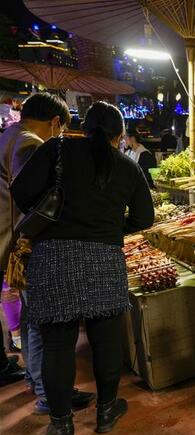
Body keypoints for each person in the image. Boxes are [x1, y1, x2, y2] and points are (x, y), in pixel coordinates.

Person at [11, 101, 154, 435]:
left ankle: (61, 429)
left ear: (83, 126)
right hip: (104, 259)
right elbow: (144, 218)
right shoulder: (126, 166)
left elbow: (21, 192)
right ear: (119, 134)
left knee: (57, 345)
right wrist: (110, 226)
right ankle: (106, 413)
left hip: (53, 257)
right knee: (106, 342)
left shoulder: (56, 149)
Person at [0, 92, 95, 413]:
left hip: (16, 242)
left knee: (30, 318)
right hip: (23, 243)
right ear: (55, 122)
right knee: (42, 319)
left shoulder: (9, 136)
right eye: (62, 130)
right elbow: (40, 197)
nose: (61, 136)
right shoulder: (29, 145)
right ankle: (50, 393)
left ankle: (36, 379)